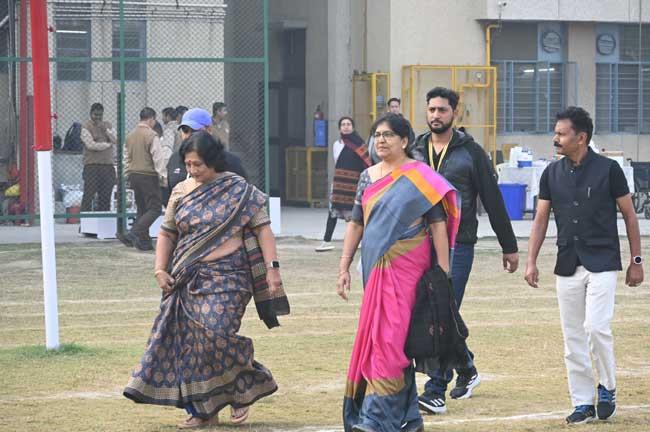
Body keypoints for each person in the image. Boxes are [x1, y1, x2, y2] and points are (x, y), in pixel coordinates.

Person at [124, 131, 289, 429]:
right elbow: (167, 232)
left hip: (230, 277)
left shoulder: (238, 190)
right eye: (188, 164)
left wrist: (272, 269)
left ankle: (243, 384)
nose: (192, 170)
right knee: (191, 344)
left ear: (213, 161)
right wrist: (160, 269)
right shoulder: (180, 191)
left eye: (198, 164)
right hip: (186, 277)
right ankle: (203, 411)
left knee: (216, 333)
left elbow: (263, 229)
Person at [337, 113, 460, 432]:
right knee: (383, 339)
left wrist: (443, 273)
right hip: (376, 266)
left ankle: (376, 418)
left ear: (404, 140)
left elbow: (438, 225)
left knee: (391, 340)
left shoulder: (420, 177)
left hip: (410, 269)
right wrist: (344, 266)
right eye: (377, 135)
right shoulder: (367, 177)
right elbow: (356, 223)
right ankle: (409, 418)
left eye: (388, 135)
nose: (381, 140)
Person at [524, 106, 644, 425]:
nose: (555, 139)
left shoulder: (609, 170)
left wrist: (636, 261)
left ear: (581, 138)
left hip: (603, 261)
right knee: (573, 337)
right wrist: (531, 260)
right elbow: (540, 219)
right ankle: (582, 402)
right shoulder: (551, 174)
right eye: (555, 133)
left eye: (561, 134)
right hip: (567, 263)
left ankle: (607, 387)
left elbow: (630, 216)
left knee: (596, 327)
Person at [412, 87, 519, 414]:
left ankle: (435, 389)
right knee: (436, 310)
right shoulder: (415, 148)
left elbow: (493, 199)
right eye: (431, 109)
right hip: (420, 243)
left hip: (459, 244)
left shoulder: (471, 152)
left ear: (454, 113)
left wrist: (509, 246)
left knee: (443, 312)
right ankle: (467, 368)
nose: (436, 115)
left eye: (442, 110)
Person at [315, 116, 371, 252]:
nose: (346, 126)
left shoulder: (359, 144)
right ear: (339, 128)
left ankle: (360, 241)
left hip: (354, 184)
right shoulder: (336, 144)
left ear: (353, 127)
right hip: (339, 184)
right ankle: (326, 241)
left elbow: (367, 162)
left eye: (349, 124)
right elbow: (337, 163)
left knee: (355, 213)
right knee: (333, 211)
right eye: (343, 124)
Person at [167, 108, 247, 196]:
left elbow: (243, 194)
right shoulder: (174, 159)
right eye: (185, 130)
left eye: (195, 131)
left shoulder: (229, 161)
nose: (189, 135)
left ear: (209, 129)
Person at [118, 107, 166, 251]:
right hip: (148, 175)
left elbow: (126, 158)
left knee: (142, 208)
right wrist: (163, 176)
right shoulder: (152, 135)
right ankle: (134, 233)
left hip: (134, 175)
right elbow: (158, 158)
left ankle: (144, 242)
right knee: (155, 208)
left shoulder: (130, 136)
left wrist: (126, 174)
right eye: (154, 120)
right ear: (151, 119)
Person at [80, 102, 117, 211]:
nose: (97, 117)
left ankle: (104, 218)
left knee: (106, 195)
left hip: (107, 166)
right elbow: (91, 145)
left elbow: (116, 140)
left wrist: (106, 131)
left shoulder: (108, 125)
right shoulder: (86, 127)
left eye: (100, 115)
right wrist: (108, 144)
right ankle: (85, 218)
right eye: (95, 115)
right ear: (90, 114)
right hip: (92, 166)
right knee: (89, 194)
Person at [160, 107, 180, 206]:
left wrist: (163, 171)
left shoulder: (169, 130)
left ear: (167, 116)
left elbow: (167, 150)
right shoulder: (181, 128)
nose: (162, 118)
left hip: (172, 165)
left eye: (163, 116)